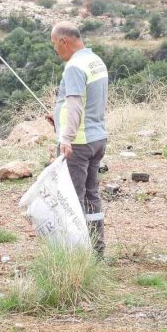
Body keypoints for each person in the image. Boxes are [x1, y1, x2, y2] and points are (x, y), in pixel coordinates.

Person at [48, 23, 109, 256]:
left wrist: (66, 137)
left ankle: (76, 256)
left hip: (78, 144)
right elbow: (92, 102)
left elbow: (74, 104)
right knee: (92, 196)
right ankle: (96, 250)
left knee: (71, 200)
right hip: (97, 138)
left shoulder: (73, 67)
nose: (55, 51)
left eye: (55, 45)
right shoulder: (95, 61)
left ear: (64, 41)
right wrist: (60, 120)